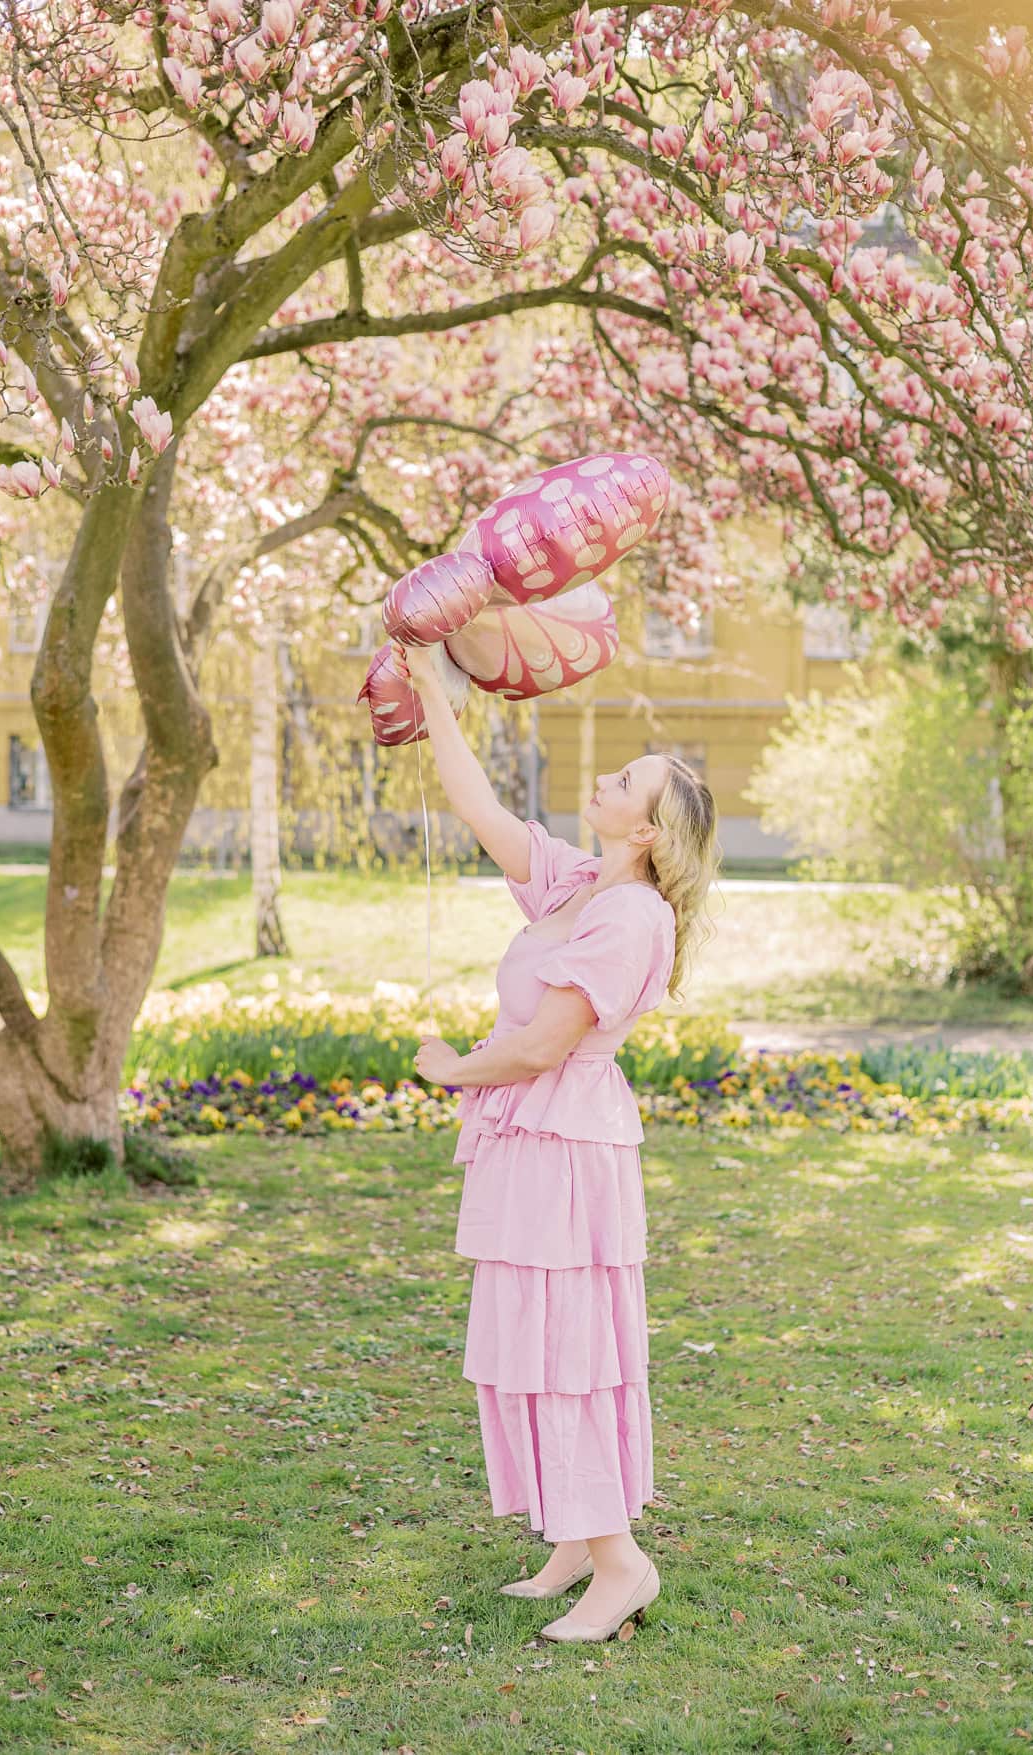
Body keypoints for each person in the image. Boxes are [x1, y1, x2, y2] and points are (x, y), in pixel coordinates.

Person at [390, 637, 720, 1643]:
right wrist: (431, 698)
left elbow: (540, 1045)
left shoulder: (629, 919)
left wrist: (448, 1067)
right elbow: (482, 812)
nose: (605, 782)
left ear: (648, 829)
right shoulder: (578, 883)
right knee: (530, 1346)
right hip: (538, 1148)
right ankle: (573, 1543)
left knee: (566, 1349)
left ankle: (620, 1564)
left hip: (566, 1152)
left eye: (627, 782)